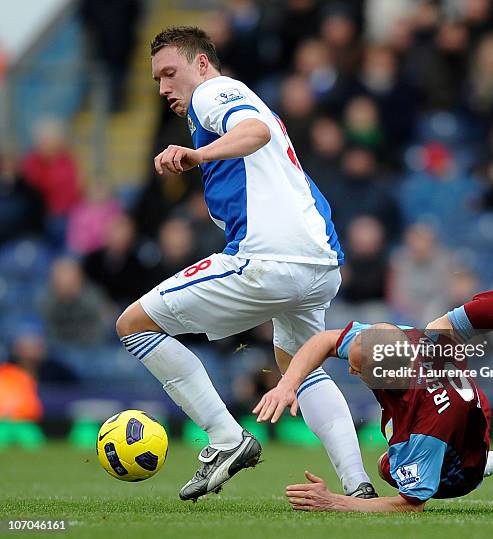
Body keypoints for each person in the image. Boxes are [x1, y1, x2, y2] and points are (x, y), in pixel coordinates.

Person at [115, 26, 373, 502]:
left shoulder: (215, 92)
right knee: (300, 365)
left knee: (133, 325)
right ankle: (357, 485)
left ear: (201, 64)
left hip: (268, 260)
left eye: (170, 73)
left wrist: (196, 155)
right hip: (320, 263)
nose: (164, 88)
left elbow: (253, 131)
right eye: (156, 80)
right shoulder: (228, 103)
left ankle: (225, 438)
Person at [254, 222, 493, 512]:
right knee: (442, 324)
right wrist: (288, 384)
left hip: (461, 465)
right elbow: (326, 341)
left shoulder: (426, 429)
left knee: (389, 466)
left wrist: (336, 502)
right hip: (463, 404)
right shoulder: (404, 340)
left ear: (385, 376)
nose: (352, 370)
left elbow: (410, 504)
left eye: (357, 369)